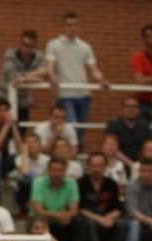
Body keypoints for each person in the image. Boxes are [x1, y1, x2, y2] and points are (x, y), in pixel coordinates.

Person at [45, 11, 108, 148]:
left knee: (81, 130)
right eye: (69, 25)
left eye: (75, 25)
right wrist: (52, 78)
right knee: (72, 128)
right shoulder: (54, 45)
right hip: (66, 94)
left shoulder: (85, 46)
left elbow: (93, 69)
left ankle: (77, 157)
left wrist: (101, 79)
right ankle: (69, 155)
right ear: (63, 26)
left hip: (84, 95)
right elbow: (50, 65)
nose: (72, 28)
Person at [0, 29, 46, 124]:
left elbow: (44, 75)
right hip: (4, 99)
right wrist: (34, 75)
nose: (27, 49)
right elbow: (13, 77)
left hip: (24, 100)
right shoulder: (10, 55)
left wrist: (24, 78)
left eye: (30, 46)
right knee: (5, 129)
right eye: (24, 45)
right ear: (20, 44)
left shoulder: (39, 57)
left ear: (35, 46)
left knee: (22, 130)